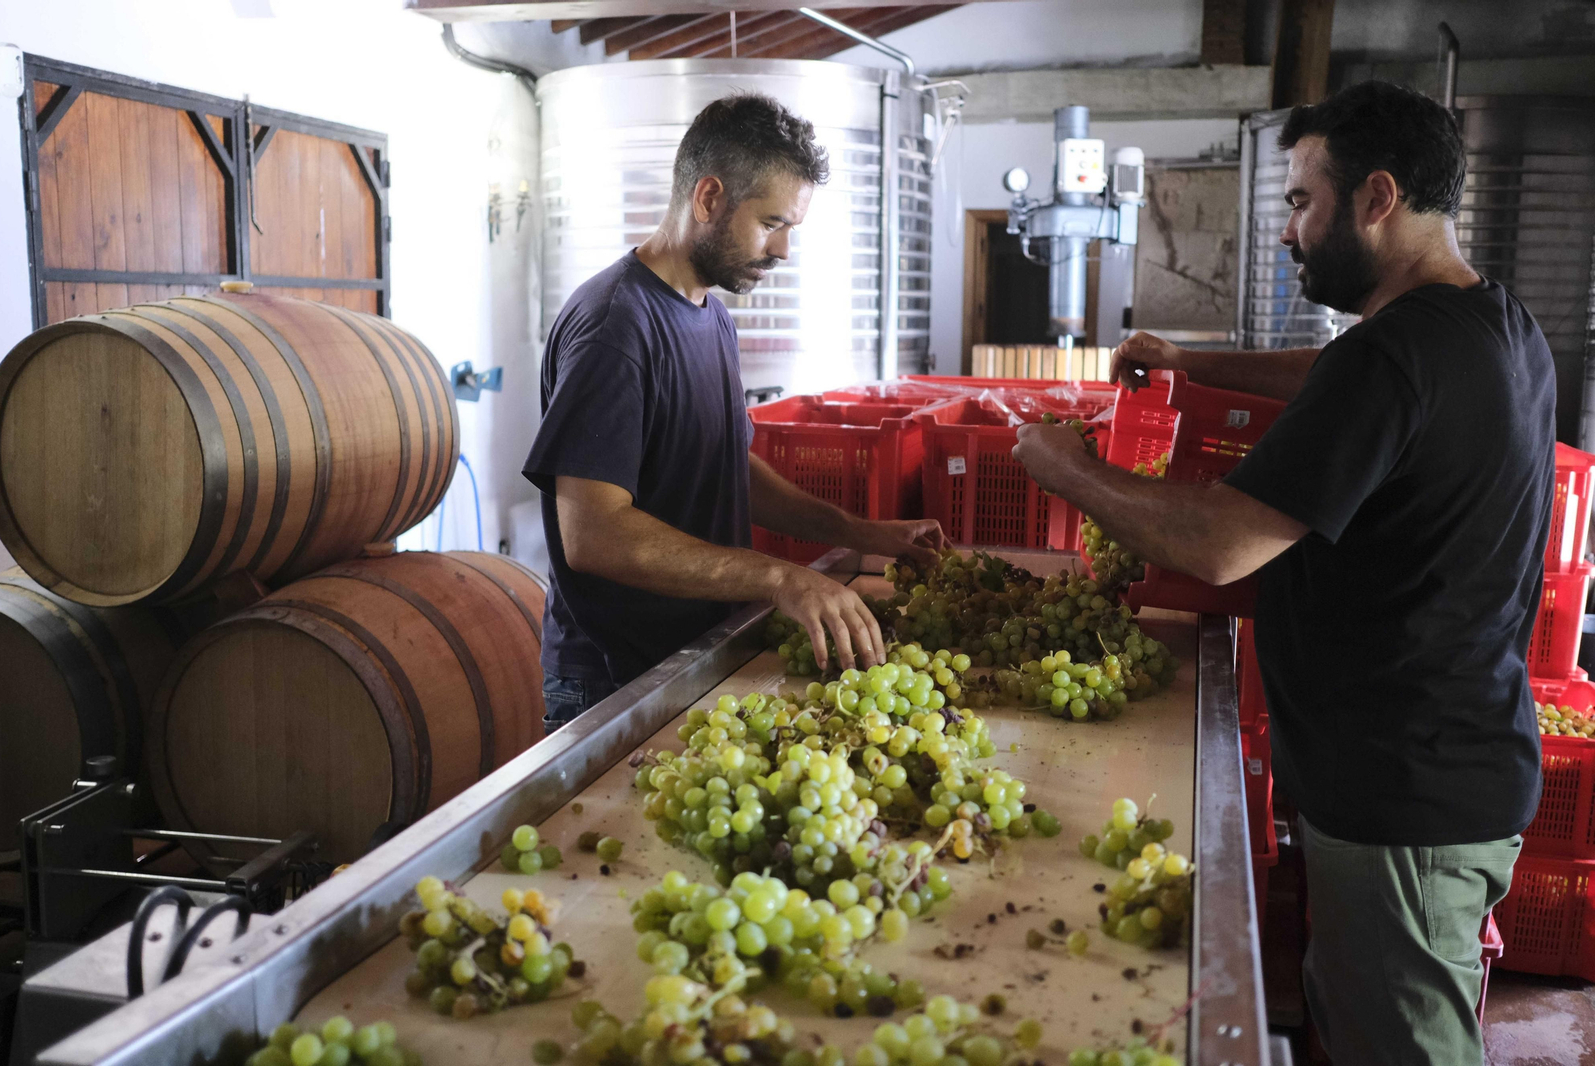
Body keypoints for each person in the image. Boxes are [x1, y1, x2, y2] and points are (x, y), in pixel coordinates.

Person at [1012, 81, 1552, 1065]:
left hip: (1403, 798)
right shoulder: (1489, 324)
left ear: (1376, 198)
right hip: (1450, 759)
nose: (1288, 232)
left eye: (1301, 202)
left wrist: (1067, 469)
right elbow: (1342, 389)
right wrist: (1195, 362)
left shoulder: (1391, 362)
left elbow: (1220, 543)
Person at [523, 92, 944, 734]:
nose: (782, 252)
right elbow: (594, 535)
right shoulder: (615, 326)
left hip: (691, 653)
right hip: (610, 680)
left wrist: (865, 533)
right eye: (772, 223)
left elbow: (729, 472)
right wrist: (780, 578)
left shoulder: (710, 315)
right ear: (709, 197)